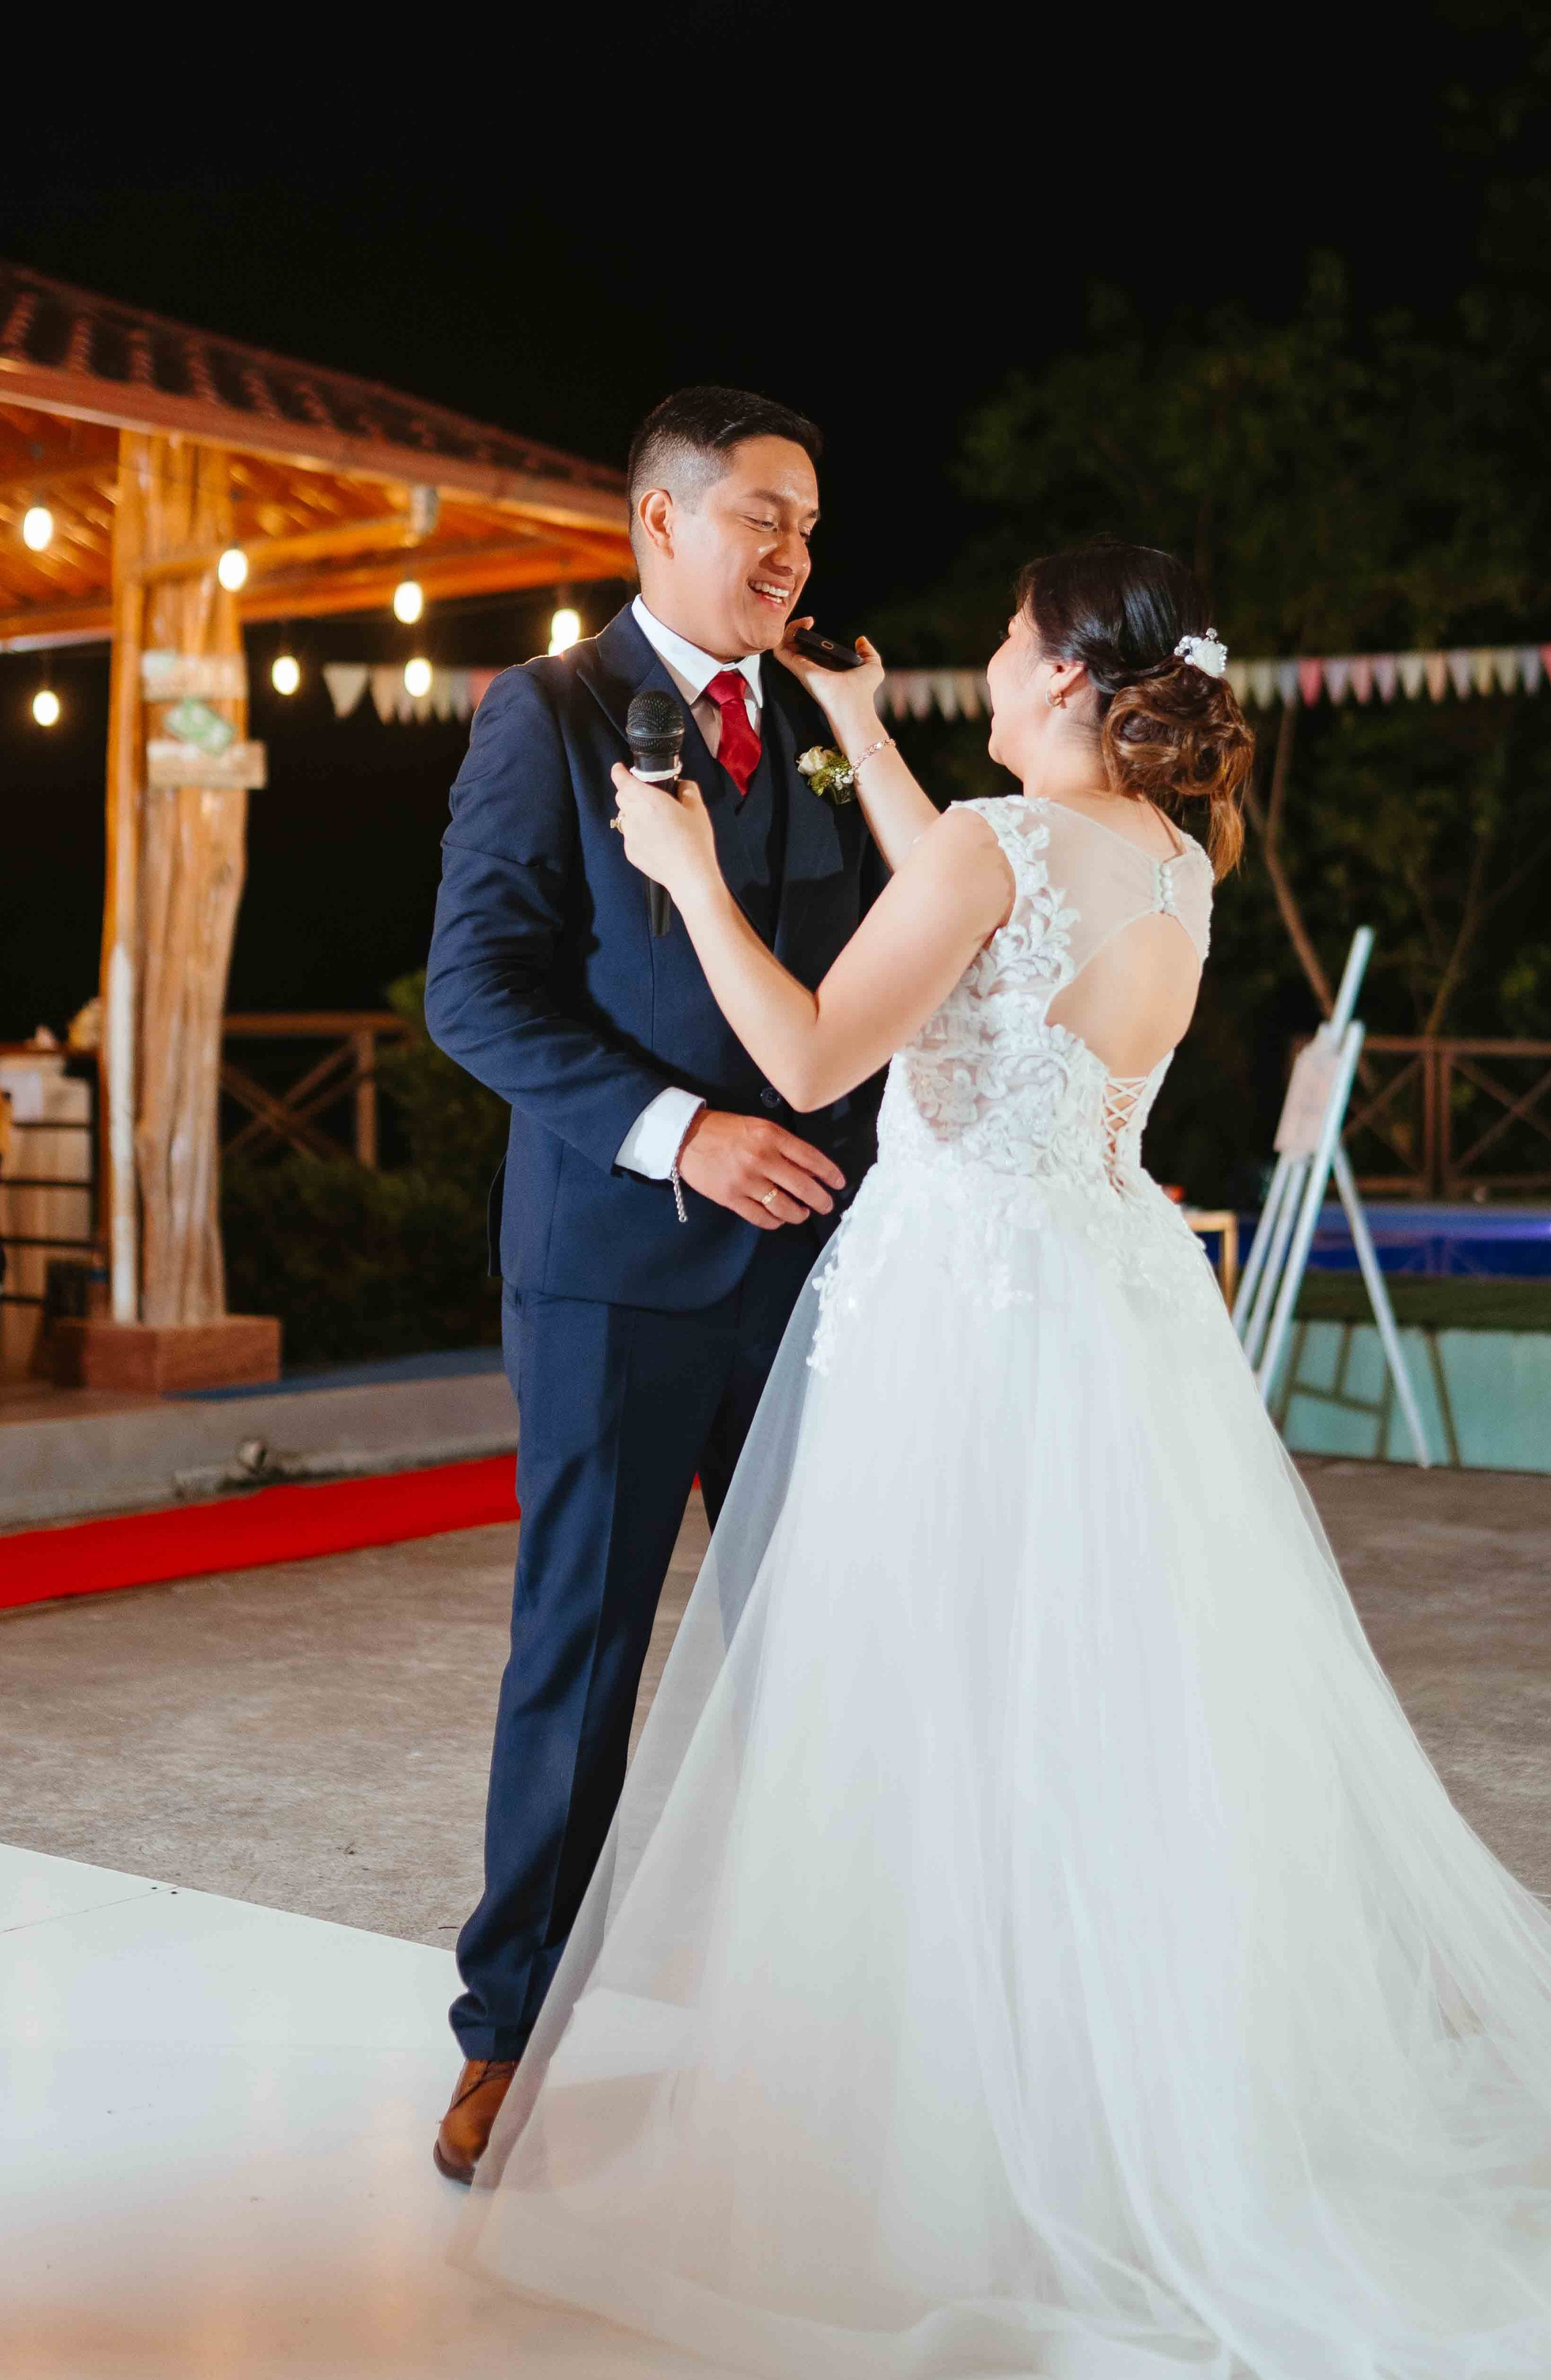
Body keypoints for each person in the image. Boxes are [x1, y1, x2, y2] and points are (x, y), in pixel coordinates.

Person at [462, 540, 1551, 2380]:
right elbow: (989, 896)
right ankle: (1112, 2106)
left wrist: (691, 872)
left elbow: (811, 1057)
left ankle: (960, 2144)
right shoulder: (1175, 859)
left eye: (1011, 636)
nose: (985, 654)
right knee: (1098, 1715)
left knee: (931, 1704)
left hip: (956, 1316)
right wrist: (867, 741)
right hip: (1116, 1306)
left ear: (1058, 672)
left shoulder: (983, 842)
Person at [423, 387, 886, 2181]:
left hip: (823, 1270)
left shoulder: (827, 727)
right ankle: (505, 2033)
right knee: (583, 1655)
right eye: (763, 513)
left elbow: (878, 960)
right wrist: (679, 1132)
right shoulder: (541, 717)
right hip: (616, 1272)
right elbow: (477, 990)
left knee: (819, 1648)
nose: (792, 552)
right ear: (658, 523)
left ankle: (814, 2032)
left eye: (810, 524)